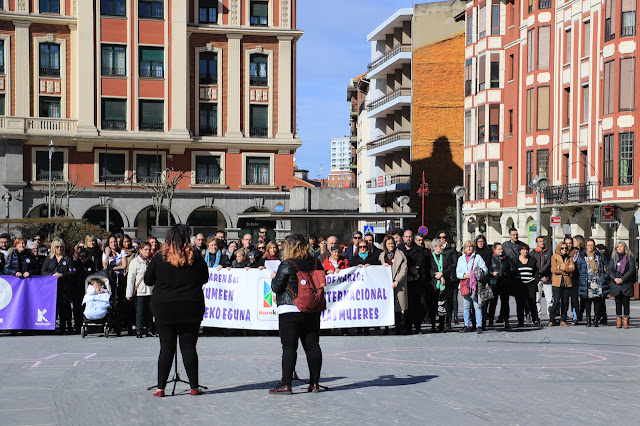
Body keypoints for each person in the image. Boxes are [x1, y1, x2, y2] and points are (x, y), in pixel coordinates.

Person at [144, 224, 208, 397]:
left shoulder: (159, 257)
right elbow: (205, 278)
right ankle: (194, 387)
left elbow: (148, 280)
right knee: (189, 347)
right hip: (190, 307)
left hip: (165, 308)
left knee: (166, 347)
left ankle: (160, 388)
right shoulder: (195, 256)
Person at [269, 234, 324, 394]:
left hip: (290, 309)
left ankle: (286, 384)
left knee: (289, 347)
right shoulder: (316, 262)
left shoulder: (287, 264)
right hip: (312, 309)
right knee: (313, 346)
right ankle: (315, 383)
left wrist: (273, 277)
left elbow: (276, 287)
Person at [41, 238, 77, 334]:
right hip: (52, 288)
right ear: (53, 248)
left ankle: (65, 327)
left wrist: (62, 275)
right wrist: (52, 275)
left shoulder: (67, 259)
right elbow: (43, 271)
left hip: (65, 287)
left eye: (61, 247)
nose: (59, 249)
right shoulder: (49, 259)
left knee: (65, 308)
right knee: (54, 308)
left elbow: (73, 272)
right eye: (57, 247)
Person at [456, 241, 488, 333]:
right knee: (466, 306)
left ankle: (479, 325)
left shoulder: (477, 257)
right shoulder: (461, 259)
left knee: (477, 305)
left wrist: (477, 273)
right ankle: (466, 325)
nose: (469, 248)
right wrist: (464, 275)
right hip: (465, 284)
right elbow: (458, 273)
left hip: (476, 285)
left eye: (470, 247)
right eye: (467, 247)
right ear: (464, 248)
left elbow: (485, 269)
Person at [379, 235, 409, 335]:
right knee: (387, 306)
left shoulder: (400, 254)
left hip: (398, 284)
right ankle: (386, 327)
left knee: (399, 307)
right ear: (385, 245)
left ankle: (399, 327)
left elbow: (403, 270)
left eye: (392, 243)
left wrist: (397, 281)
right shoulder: (382, 256)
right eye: (389, 244)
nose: (391, 245)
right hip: (386, 284)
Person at [399, 229, 427, 334]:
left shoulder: (419, 250)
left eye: (410, 237)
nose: (408, 239)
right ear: (403, 238)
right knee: (406, 306)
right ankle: (407, 327)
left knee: (417, 305)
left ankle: (418, 326)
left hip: (416, 281)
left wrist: (414, 272)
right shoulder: (399, 250)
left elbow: (420, 264)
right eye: (406, 237)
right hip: (404, 282)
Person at [576, 239, 608, 327]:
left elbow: (607, 265)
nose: (590, 247)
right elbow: (579, 268)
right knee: (587, 302)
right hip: (587, 282)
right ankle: (588, 320)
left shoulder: (599, 256)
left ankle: (596, 319)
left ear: (594, 246)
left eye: (592, 245)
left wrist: (605, 275)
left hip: (597, 281)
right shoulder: (582, 256)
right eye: (589, 245)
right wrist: (582, 277)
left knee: (597, 302)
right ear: (586, 246)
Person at [103, 235, 131, 335]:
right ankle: (112, 325)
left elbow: (124, 265)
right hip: (111, 280)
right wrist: (107, 255)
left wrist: (113, 268)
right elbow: (105, 266)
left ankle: (124, 325)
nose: (114, 244)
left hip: (120, 279)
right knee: (112, 302)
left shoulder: (121, 252)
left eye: (115, 242)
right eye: (111, 242)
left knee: (122, 302)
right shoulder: (106, 253)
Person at [127, 242, 154, 338]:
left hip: (151, 290)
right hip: (140, 290)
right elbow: (131, 278)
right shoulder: (135, 262)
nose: (147, 251)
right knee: (140, 312)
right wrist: (129, 293)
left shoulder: (152, 261)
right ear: (140, 250)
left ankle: (150, 329)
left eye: (149, 249)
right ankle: (139, 329)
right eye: (145, 249)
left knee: (150, 311)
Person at [429, 239, 455, 332]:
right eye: (440, 246)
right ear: (435, 247)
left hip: (445, 283)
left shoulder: (445, 256)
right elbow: (429, 268)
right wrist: (436, 275)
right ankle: (432, 325)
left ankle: (442, 324)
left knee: (443, 305)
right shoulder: (430, 257)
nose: (442, 248)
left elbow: (449, 267)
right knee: (433, 305)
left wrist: (442, 273)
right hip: (434, 284)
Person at [608, 241, 635, 329]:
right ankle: (619, 321)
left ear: (625, 247)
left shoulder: (629, 257)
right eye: (618, 247)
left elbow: (631, 270)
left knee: (626, 303)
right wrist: (614, 278)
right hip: (616, 284)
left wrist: (622, 279)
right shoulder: (613, 258)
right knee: (618, 303)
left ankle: (626, 321)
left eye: (621, 246)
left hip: (626, 284)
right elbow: (610, 270)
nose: (619, 248)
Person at [488, 243, 516, 328]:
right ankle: (490, 320)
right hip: (494, 283)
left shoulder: (507, 258)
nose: (501, 251)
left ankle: (506, 319)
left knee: (505, 303)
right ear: (495, 250)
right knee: (493, 303)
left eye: (502, 249)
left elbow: (513, 269)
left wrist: (507, 274)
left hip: (505, 283)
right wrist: (492, 273)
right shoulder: (491, 258)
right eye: (499, 249)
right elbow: (486, 269)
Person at [549, 242, 575, 327]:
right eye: (562, 248)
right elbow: (554, 270)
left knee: (565, 302)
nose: (564, 250)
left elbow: (572, 269)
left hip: (567, 283)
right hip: (557, 283)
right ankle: (551, 319)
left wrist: (562, 267)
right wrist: (566, 271)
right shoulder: (554, 257)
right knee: (556, 301)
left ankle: (563, 320)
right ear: (559, 248)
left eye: (566, 248)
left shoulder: (569, 258)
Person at [514, 243, 540, 327]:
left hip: (530, 283)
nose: (525, 251)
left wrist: (536, 281)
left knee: (532, 302)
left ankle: (535, 319)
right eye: (523, 249)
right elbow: (513, 271)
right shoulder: (515, 259)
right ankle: (520, 321)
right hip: (519, 284)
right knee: (520, 303)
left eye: (526, 249)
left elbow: (536, 271)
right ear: (520, 251)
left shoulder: (532, 259)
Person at [530, 236, 553, 322]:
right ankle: (537, 317)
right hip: (537, 279)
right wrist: (538, 275)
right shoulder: (532, 253)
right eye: (540, 241)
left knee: (549, 299)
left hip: (547, 278)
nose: (542, 243)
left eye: (543, 241)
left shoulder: (549, 252)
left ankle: (551, 317)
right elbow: (532, 265)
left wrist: (545, 276)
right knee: (537, 300)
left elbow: (548, 264)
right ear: (536, 243)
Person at [566, 236, 580, 324]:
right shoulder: (561, 252)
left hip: (574, 278)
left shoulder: (576, 252)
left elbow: (574, 265)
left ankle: (575, 316)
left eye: (570, 243)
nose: (568, 245)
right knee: (564, 299)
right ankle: (563, 316)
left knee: (574, 299)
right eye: (567, 243)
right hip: (564, 278)